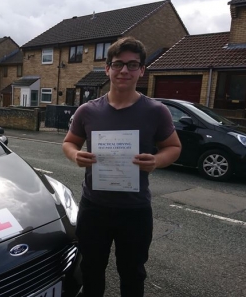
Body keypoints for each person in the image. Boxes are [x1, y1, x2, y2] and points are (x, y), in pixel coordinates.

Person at [62, 37, 181, 297]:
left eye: (132, 65)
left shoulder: (156, 111)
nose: (124, 71)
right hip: (94, 208)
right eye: (117, 64)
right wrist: (75, 156)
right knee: (92, 270)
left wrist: (157, 160)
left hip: (135, 210)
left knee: (132, 273)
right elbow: (70, 142)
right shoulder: (87, 110)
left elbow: (173, 146)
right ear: (107, 69)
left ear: (142, 70)